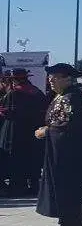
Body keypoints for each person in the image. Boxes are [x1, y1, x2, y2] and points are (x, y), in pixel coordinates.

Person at [35, 63, 82, 226]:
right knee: (73, 185)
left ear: (66, 78)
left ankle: (68, 223)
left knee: (66, 185)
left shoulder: (72, 97)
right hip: (61, 149)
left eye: (54, 78)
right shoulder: (63, 95)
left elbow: (70, 125)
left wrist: (47, 130)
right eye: (50, 78)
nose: (50, 81)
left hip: (68, 151)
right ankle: (80, 222)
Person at [1, 68, 47, 197]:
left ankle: (17, 187)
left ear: (14, 80)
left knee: (16, 158)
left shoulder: (13, 94)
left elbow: (6, 112)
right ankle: (34, 186)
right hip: (33, 131)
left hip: (15, 131)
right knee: (32, 158)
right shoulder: (37, 92)